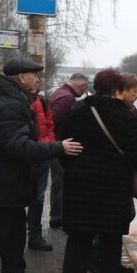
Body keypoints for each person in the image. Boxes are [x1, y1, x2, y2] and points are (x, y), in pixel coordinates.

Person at [0, 58, 83, 273]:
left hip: (5, 182)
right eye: (34, 75)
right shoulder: (10, 106)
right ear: (21, 77)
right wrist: (57, 147)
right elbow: (17, 146)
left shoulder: (5, 100)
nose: (37, 79)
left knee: (14, 234)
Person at [59, 69, 137, 273]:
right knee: (111, 238)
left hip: (79, 186)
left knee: (78, 238)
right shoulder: (124, 116)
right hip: (113, 187)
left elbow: (64, 147)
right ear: (118, 90)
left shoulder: (77, 111)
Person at [48, 72, 88, 228]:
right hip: (60, 145)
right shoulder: (67, 98)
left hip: (55, 145)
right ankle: (61, 217)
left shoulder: (60, 92)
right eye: (85, 88)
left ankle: (55, 215)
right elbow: (54, 120)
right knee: (62, 182)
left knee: (57, 182)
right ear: (81, 86)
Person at [27, 77, 56, 252]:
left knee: (38, 198)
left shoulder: (42, 101)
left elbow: (50, 124)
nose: (36, 83)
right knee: (16, 197)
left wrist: (48, 144)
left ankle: (35, 235)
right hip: (23, 155)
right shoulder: (17, 100)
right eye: (33, 80)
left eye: (38, 81)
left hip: (41, 155)